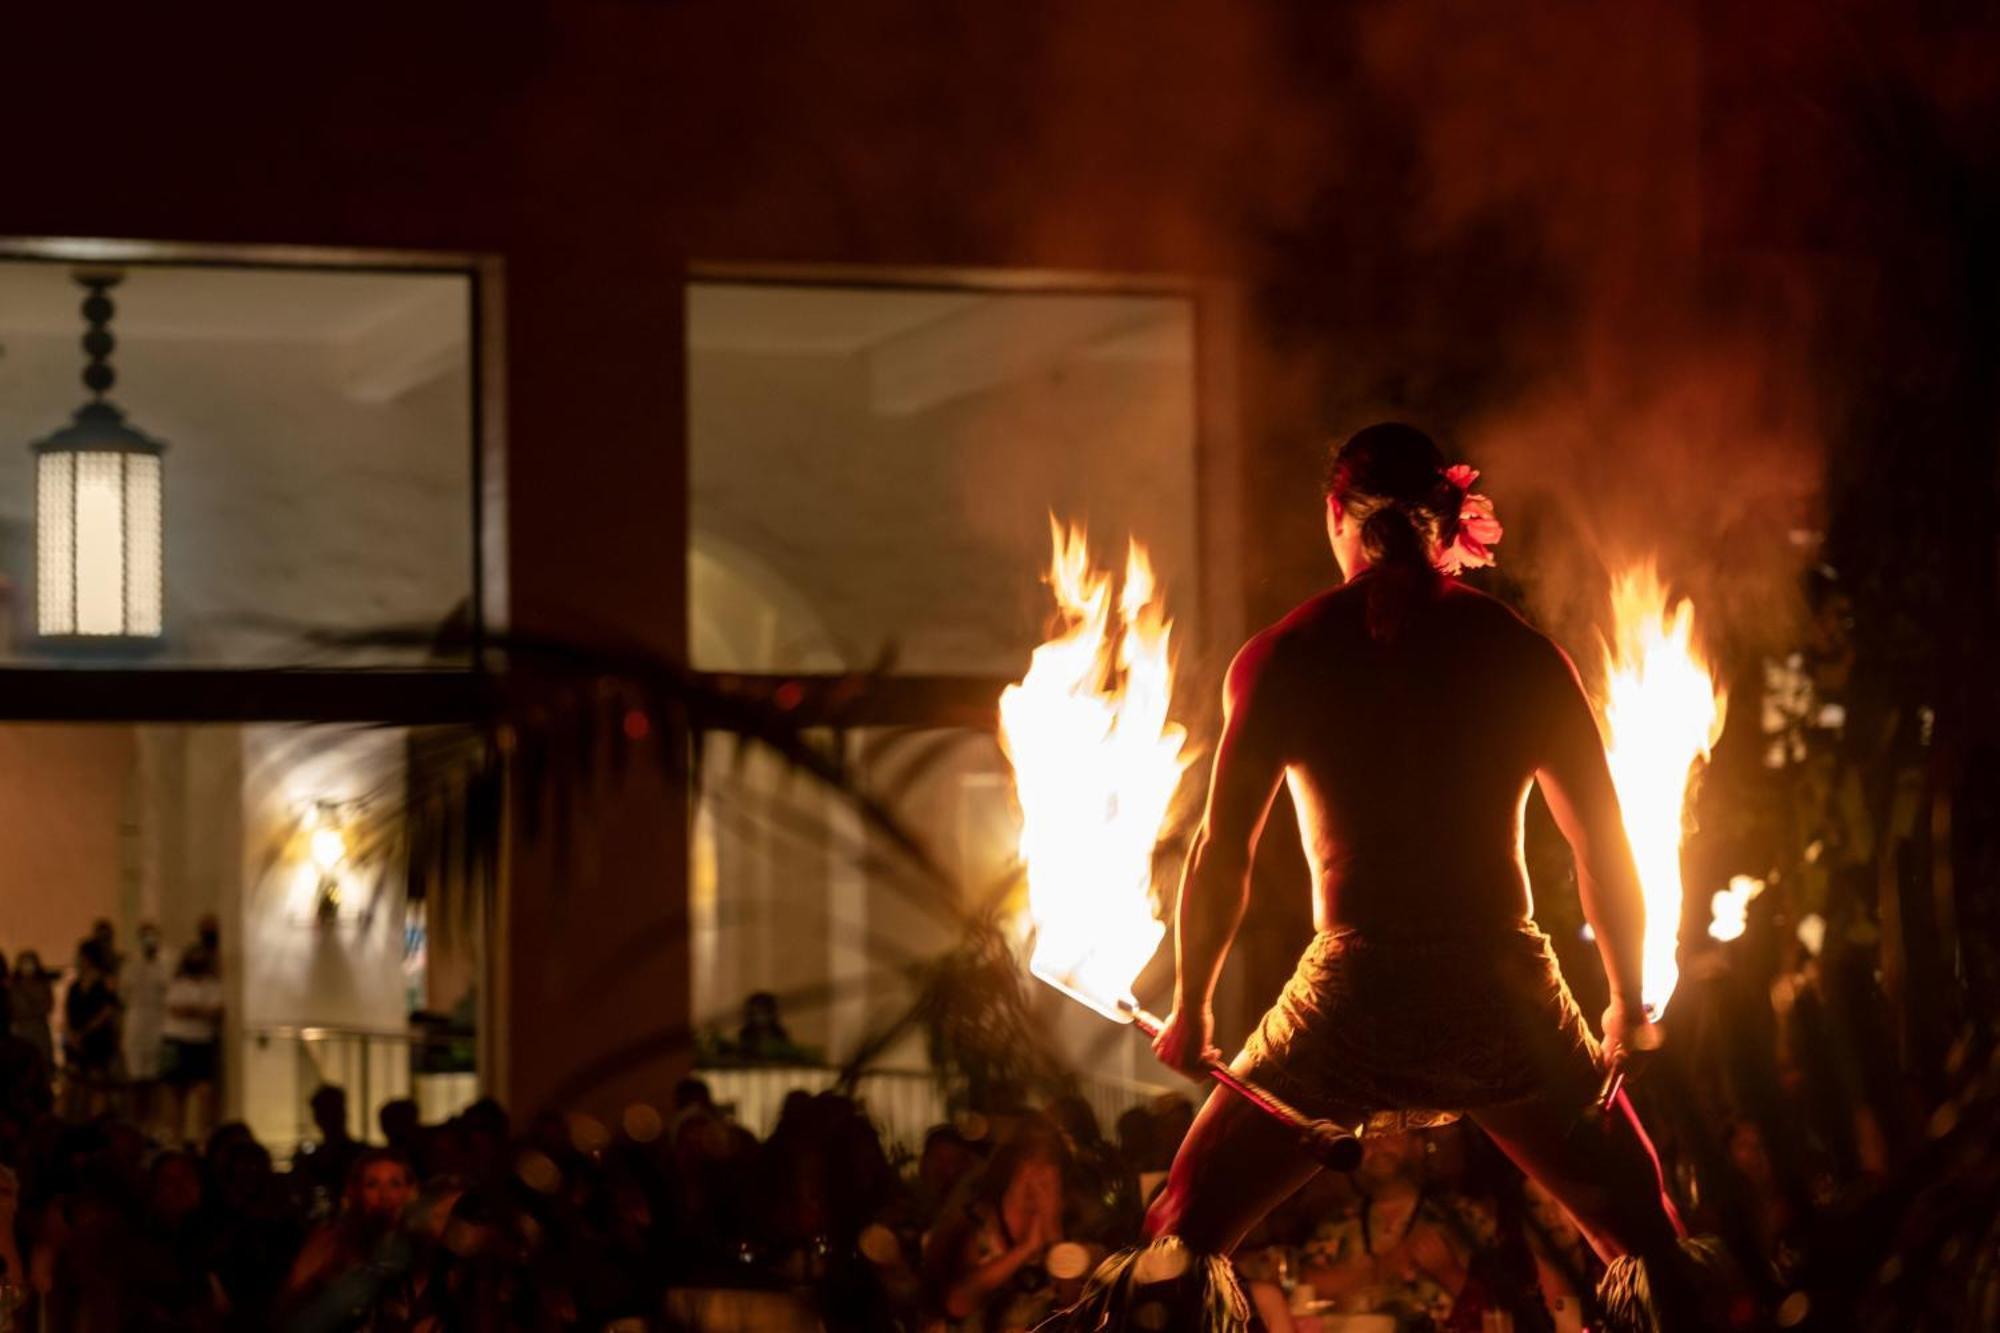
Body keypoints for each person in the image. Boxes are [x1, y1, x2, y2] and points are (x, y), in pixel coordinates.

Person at [1045, 424, 1716, 1332]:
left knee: (1178, 1236)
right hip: (1502, 994)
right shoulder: (1519, 653)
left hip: (1353, 999)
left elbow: (1223, 850)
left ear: (1337, 519)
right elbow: (1604, 845)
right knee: (1649, 1239)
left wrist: (1196, 1007)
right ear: (1448, 526)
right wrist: (1627, 1003)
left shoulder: (1284, 656)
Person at [161, 945, 224, 1144]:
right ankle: (175, 1139)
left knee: (204, 1092)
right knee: (175, 1093)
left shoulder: (213, 985)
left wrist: (192, 1011)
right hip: (177, 1041)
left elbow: (215, 1011)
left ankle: (202, 1139)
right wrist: (200, 1011)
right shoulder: (178, 983)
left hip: (201, 1041)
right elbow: (175, 1009)